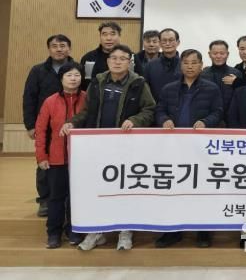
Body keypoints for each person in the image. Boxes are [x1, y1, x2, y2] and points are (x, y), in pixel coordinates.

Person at [61, 44, 156, 251]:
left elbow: (149, 109)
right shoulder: (97, 82)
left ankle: (125, 231)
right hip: (99, 146)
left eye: (123, 58)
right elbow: (87, 111)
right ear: (108, 61)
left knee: (125, 188)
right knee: (98, 188)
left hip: (126, 146)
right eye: (114, 58)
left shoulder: (138, 83)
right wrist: (72, 123)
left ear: (129, 62)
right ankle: (97, 231)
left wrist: (135, 120)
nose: (118, 62)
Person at [154, 49, 223, 248]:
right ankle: (172, 231)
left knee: (202, 188)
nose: (190, 66)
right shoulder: (169, 88)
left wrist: (205, 122)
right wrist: (164, 119)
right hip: (174, 147)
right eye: (186, 62)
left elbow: (218, 111)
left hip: (200, 147)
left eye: (194, 62)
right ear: (181, 65)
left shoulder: (211, 88)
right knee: (174, 188)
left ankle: (203, 231)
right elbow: (159, 109)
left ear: (201, 65)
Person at [35, 61, 86, 249]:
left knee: (77, 197)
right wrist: (41, 156)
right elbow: (41, 131)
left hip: (82, 159)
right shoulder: (50, 101)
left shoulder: (88, 98)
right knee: (56, 197)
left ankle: (74, 230)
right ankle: (53, 233)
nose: (73, 79)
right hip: (57, 158)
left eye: (77, 75)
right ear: (61, 78)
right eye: (69, 75)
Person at [23, 34, 73, 217]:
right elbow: (29, 98)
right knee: (44, 163)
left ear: (69, 48)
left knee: (69, 162)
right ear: (49, 49)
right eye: (54, 46)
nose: (59, 49)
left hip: (71, 126)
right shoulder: (38, 70)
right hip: (46, 125)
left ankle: (67, 198)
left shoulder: (77, 68)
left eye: (63, 45)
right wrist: (30, 125)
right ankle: (44, 199)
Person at [201, 40, 242, 118]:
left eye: (222, 53)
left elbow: (240, 98)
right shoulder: (203, 74)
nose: (218, 56)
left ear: (227, 54)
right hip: (208, 117)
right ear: (209, 54)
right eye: (215, 53)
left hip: (231, 117)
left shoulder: (236, 73)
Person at [79, 22, 122, 90]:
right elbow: (82, 85)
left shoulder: (131, 58)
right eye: (104, 34)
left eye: (113, 34)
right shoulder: (88, 58)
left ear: (119, 36)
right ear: (100, 37)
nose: (108, 38)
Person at [143, 28, 181, 103]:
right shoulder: (150, 66)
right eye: (164, 40)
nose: (167, 43)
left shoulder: (185, 64)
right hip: (156, 107)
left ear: (178, 42)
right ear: (160, 43)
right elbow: (145, 92)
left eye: (171, 40)